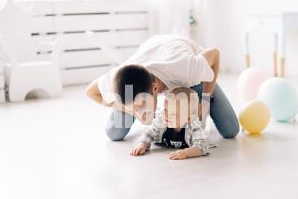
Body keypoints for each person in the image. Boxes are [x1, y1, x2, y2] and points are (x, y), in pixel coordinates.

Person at [85, 34, 239, 141]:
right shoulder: (118, 76)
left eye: (140, 106)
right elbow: (90, 92)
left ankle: (206, 81)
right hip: (153, 50)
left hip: (188, 73)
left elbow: (215, 54)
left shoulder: (188, 69)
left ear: (155, 90)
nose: (140, 114)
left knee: (230, 130)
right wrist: (128, 109)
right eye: (135, 108)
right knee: (114, 133)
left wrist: (206, 98)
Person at [130, 87, 209, 160]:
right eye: (165, 110)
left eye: (173, 114)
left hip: (195, 127)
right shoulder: (161, 121)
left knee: (202, 125)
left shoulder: (193, 126)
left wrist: (186, 153)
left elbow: (202, 147)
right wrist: (143, 144)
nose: (166, 116)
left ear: (188, 118)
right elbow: (149, 134)